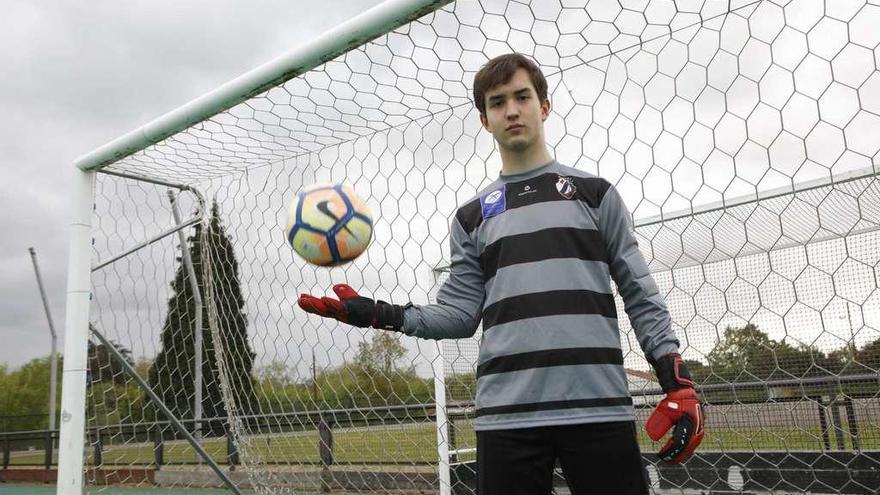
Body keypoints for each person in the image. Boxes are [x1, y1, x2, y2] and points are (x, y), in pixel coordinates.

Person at [298, 53, 704, 495]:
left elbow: (639, 293)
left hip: (598, 409)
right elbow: (459, 314)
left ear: (543, 106)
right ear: (484, 120)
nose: (511, 110)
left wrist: (675, 381)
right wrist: (381, 313)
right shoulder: (471, 218)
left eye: (522, 97)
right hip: (507, 416)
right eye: (497, 103)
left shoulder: (595, 195)